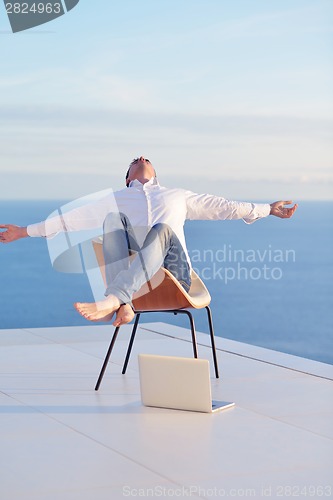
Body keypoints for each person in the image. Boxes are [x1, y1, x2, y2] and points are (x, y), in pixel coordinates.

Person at [0, 156, 298, 327]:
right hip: (136, 281)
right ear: (127, 177)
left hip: (174, 276)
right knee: (111, 221)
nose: (141, 158)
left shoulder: (176, 195)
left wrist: (267, 209)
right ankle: (124, 301)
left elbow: (224, 206)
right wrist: (23, 231)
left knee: (163, 229)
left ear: (156, 174)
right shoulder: (116, 198)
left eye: (146, 159)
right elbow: (70, 219)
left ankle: (115, 298)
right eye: (135, 161)